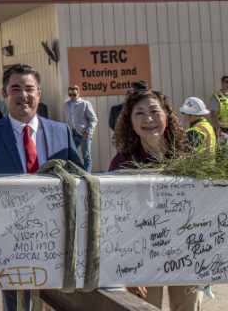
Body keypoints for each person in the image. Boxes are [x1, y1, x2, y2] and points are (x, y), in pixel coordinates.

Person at [0, 64, 81, 311]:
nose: (24, 95)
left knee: (57, 300)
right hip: (9, 239)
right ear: (4, 93)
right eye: (16, 89)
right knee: (17, 303)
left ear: (39, 93)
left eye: (30, 88)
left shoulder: (61, 132)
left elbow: (78, 178)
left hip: (57, 236)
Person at [108, 83, 198, 311]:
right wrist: (128, 268)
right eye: (140, 113)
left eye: (154, 111)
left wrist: (207, 258)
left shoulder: (188, 156)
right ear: (130, 121)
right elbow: (116, 220)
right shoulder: (122, 163)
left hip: (187, 254)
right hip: (144, 258)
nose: (148, 119)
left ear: (166, 115)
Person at [64, 85, 98, 171]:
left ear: (78, 93)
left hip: (84, 133)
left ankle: (87, 174)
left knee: (86, 156)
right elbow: (68, 120)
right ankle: (75, 171)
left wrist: (88, 131)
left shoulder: (85, 104)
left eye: (74, 94)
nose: (72, 96)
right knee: (70, 154)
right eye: (70, 94)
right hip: (73, 133)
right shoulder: (66, 105)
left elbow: (94, 119)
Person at [209, 75, 228, 142]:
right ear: (222, 83)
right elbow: (213, 114)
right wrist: (217, 128)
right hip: (221, 129)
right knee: (223, 149)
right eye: (227, 82)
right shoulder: (216, 97)